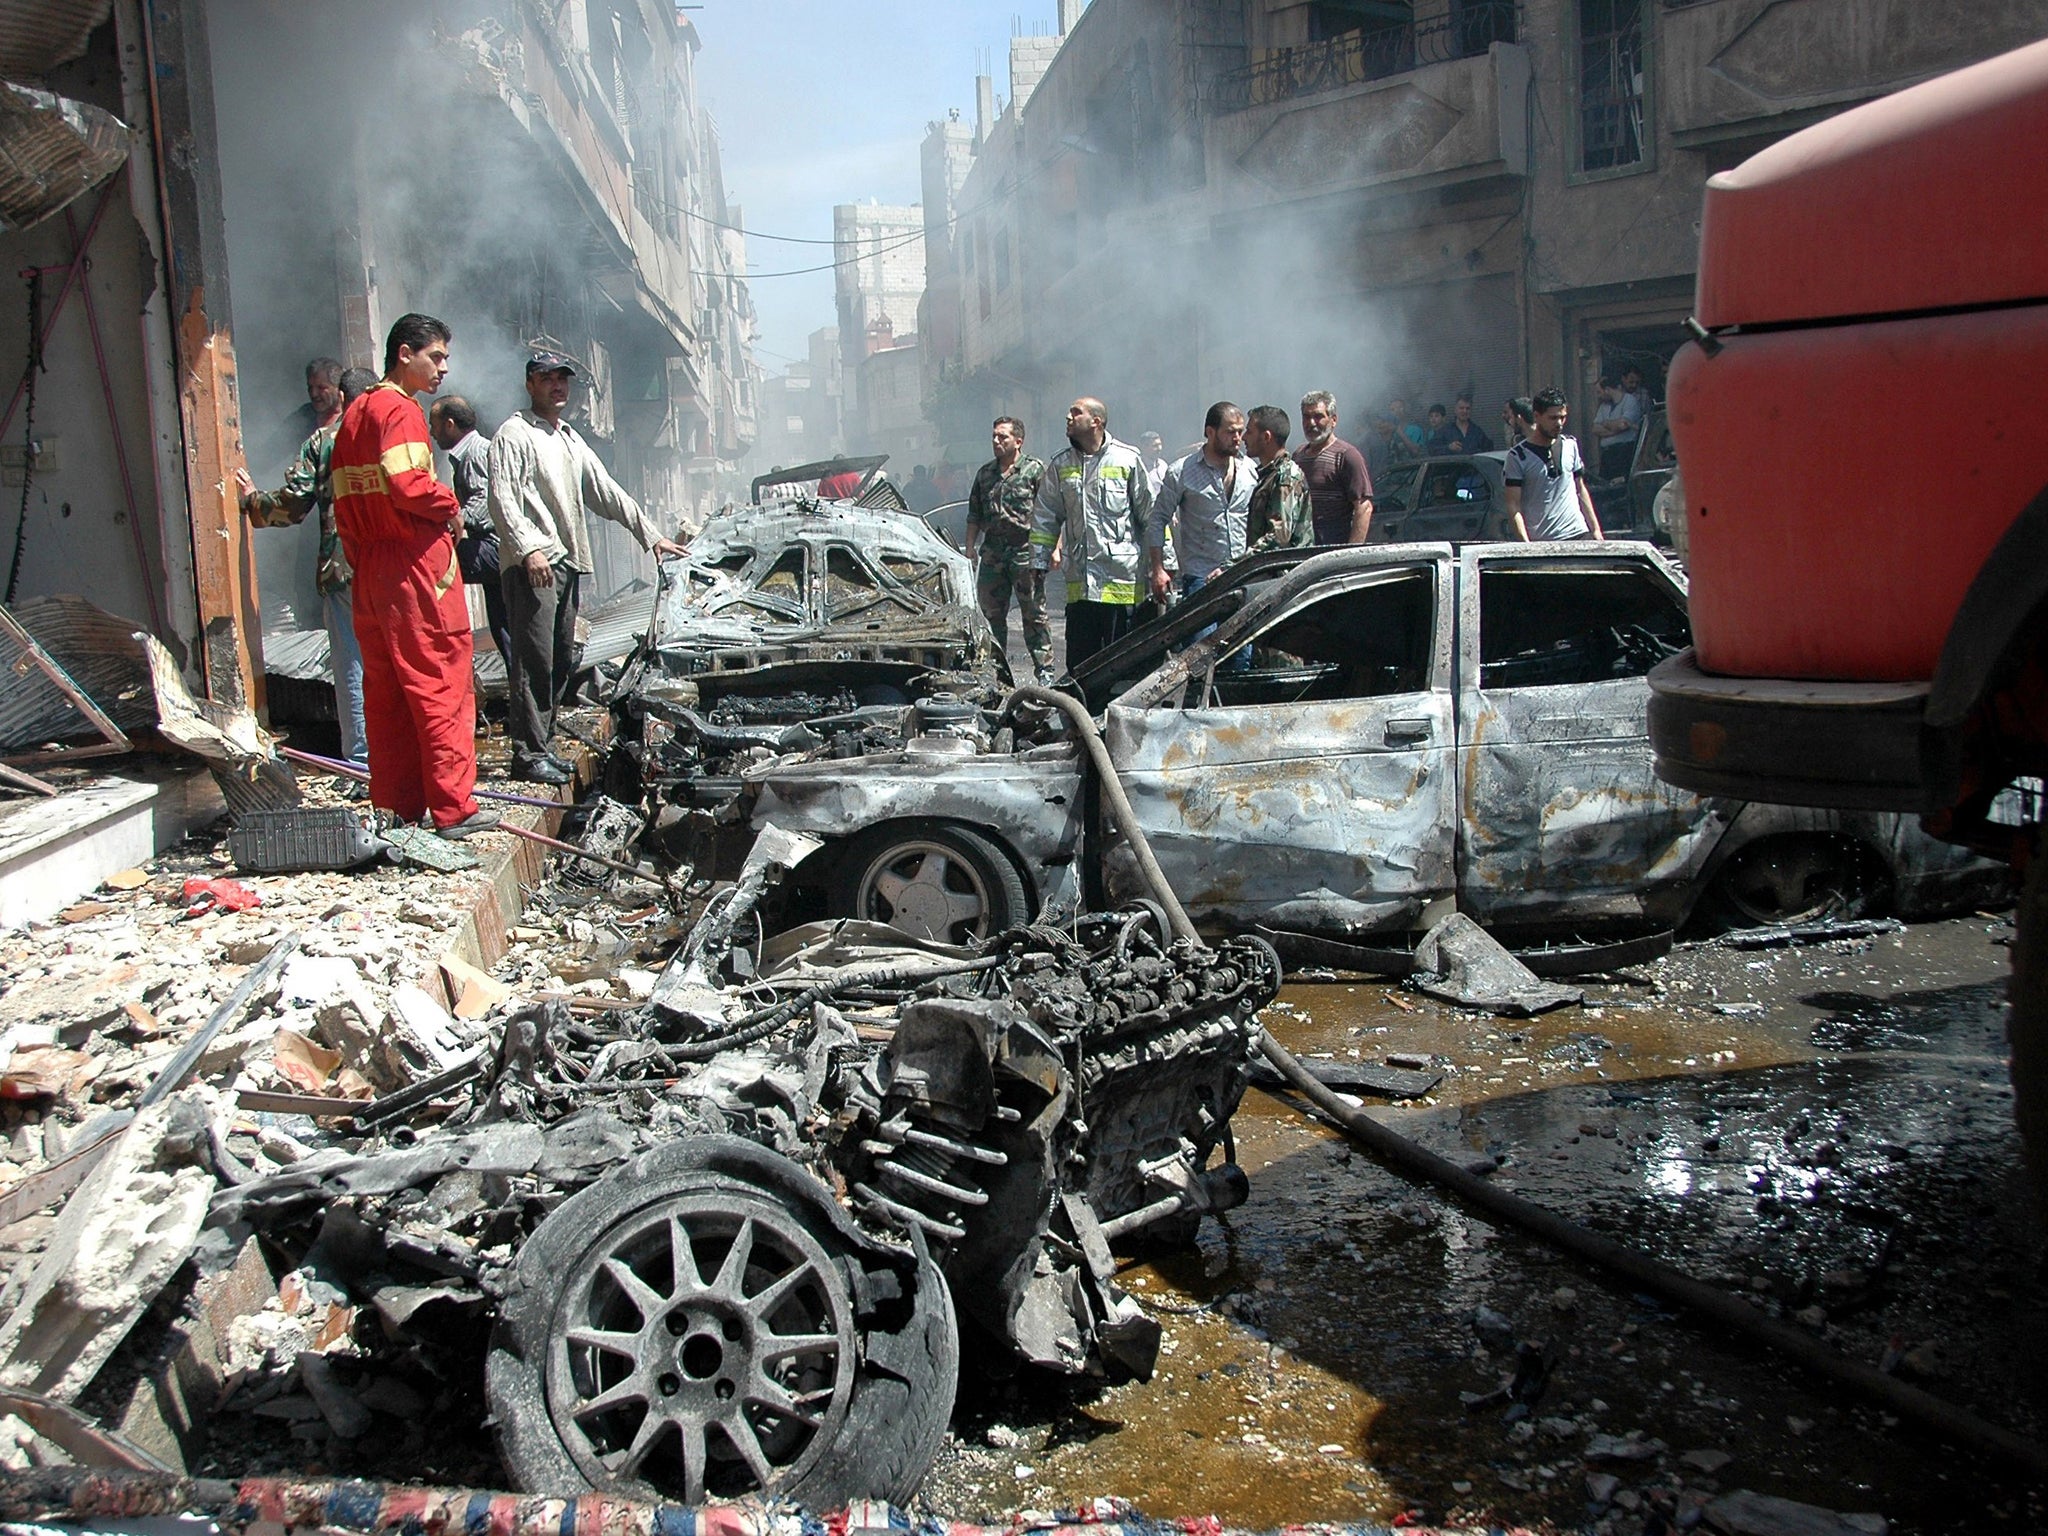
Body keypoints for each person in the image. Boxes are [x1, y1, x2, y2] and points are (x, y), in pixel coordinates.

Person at [488, 346, 687, 784]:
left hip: (569, 563)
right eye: (547, 378)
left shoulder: (568, 438)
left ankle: (543, 746)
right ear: (530, 384)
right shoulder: (514, 433)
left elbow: (606, 491)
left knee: (560, 658)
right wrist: (528, 550)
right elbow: (501, 500)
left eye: (563, 379)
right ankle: (527, 755)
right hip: (535, 566)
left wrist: (649, 535)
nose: (557, 386)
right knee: (534, 661)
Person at [331, 314, 496, 838]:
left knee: (388, 693)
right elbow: (407, 485)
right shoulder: (401, 410)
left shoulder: (354, 415)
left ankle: (398, 807)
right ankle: (453, 809)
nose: (444, 368)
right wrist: (450, 505)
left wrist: (368, 561)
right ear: (405, 354)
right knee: (440, 681)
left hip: (372, 570)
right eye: (437, 357)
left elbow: (344, 504)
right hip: (414, 566)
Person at [237, 365, 376, 791]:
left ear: (342, 396)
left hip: (345, 569)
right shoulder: (398, 437)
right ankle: (404, 759)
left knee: (352, 663)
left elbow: (292, 506)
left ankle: (362, 766)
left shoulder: (326, 441)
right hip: (398, 569)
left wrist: (252, 502)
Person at [1030, 396, 1152, 668]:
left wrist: (1162, 566)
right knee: (1080, 669)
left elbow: (1151, 517)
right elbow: (1045, 516)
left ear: (1096, 421)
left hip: (1122, 583)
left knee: (1120, 667)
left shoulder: (1128, 459)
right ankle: (1081, 711)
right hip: (1080, 587)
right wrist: (1038, 561)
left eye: (1076, 412)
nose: (1068, 417)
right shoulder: (1061, 465)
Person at [963, 416, 1053, 684]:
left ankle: (1045, 671)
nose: (996, 441)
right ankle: (996, 672)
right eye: (994, 436)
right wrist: (969, 548)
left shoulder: (1034, 470)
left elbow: (1049, 511)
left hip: (1025, 549)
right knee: (991, 615)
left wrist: (1054, 548)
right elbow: (974, 514)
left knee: (1033, 613)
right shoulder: (985, 474)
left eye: (1002, 437)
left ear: (1018, 441)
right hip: (992, 553)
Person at [428, 396, 511, 671]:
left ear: (449, 424)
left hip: (494, 548)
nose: (431, 433)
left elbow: (484, 499)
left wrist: (455, 521)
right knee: (505, 629)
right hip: (496, 549)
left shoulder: (475, 452)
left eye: (435, 426)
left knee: (431, 558)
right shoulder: (471, 452)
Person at [1148, 402, 1253, 603]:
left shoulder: (1249, 469)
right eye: (1230, 432)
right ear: (1211, 432)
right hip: (1201, 578)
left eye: (1240, 431)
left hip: (1243, 575)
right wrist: (1158, 569)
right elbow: (1158, 519)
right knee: (1204, 636)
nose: (1237, 438)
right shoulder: (1181, 472)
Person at [1503, 386, 1604, 542]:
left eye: (1562, 417)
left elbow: (1580, 489)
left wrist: (1596, 530)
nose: (1559, 423)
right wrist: (1525, 545)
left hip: (1577, 533)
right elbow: (1513, 505)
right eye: (1553, 418)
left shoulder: (1570, 445)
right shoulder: (1518, 456)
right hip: (1543, 541)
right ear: (1537, 416)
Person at [1294, 391, 1374, 545]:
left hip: (1332, 550)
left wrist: (1350, 554)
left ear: (1333, 420)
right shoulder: (1298, 456)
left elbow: (1363, 508)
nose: (1311, 423)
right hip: (1302, 550)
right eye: (1306, 417)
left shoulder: (1347, 456)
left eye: (1318, 416)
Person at [1242, 405, 1314, 557]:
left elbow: (1279, 538)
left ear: (1266, 437)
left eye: (1249, 431)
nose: (1243, 437)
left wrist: (1233, 566)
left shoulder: (1286, 477)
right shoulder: (1269, 476)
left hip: (1284, 574)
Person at [1589, 375, 1644, 479]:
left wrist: (1606, 424)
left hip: (1624, 453)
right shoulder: (1604, 406)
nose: (1598, 396)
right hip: (1607, 455)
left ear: (1607, 390)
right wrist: (1615, 429)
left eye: (1599, 392)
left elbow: (1622, 425)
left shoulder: (1630, 401)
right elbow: (1595, 429)